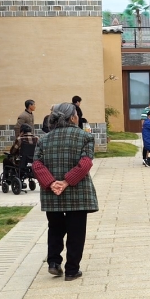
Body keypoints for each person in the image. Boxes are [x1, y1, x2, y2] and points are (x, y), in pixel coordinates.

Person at [32, 102, 98, 281]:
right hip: (78, 192)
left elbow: (36, 164)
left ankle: (54, 263)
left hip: (52, 193)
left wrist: (51, 183)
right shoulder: (85, 137)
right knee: (76, 232)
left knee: (55, 228)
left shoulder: (44, 139)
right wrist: (67, 181)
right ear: (73, 117)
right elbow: (85, 163)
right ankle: (72, 270)